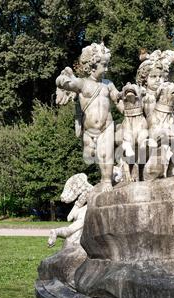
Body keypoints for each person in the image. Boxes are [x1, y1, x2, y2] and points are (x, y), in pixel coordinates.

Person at [56, 43, 120, 192]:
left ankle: (106, 181)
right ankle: (105, 176)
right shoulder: (82, 83)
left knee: (107, 153)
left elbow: (117, 98)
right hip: (89, 130)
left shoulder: (108, 84)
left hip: (107, 126)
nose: (107, 69)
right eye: (104, 65)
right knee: (91, 155)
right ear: (92, 66)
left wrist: (125, 97)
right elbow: (63, 83)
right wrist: (62, 79)